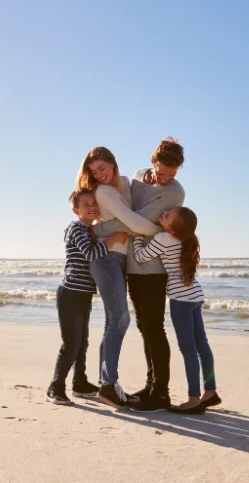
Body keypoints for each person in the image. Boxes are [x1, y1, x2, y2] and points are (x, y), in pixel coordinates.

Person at [96, 137, 186, 412]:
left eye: (171, 174)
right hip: (132, 264)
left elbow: (136, 223)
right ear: (152, 161)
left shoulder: (174, 193)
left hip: (153, 268)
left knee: (154, 328)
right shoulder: (136, 176)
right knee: (145, 328)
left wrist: (98, 230)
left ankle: (161, 393)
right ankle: (150, 386)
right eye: (161, 171)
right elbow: (128, 215)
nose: (165, 178)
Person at [76, 147, 160, 408]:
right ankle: (109, 385)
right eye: (94, 171)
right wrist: (162, 232)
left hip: (118, 259)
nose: (99, 174)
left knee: (113, 320)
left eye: (103, 168)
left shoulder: (121, 185)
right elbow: (132, 223)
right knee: (120, 319)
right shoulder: (104, 192)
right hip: (106, 258)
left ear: (113, 164)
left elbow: (132, 215)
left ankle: (106, 384)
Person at [132, 206, 221, 415]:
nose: (163, 213)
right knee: (202, 346)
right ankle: (210, 392)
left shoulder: (163, 238)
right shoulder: (186, 240)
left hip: (181, 300)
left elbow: (140, 257)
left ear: (173, 229)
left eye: (168, 215)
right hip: (196, 295)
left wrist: (136, 236)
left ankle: (193, 399)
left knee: (188, 350)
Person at [47, 189, 129, 405]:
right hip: (71, 293)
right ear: (76, 210)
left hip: (83, 294)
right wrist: (111, 241)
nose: (92, 206)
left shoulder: (89, 230)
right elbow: (91, 254)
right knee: (71, 344)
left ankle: (80, 383)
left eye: (94, 202)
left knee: (82, 342)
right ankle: (55, 387)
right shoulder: (77, 228)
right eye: (86, 204)